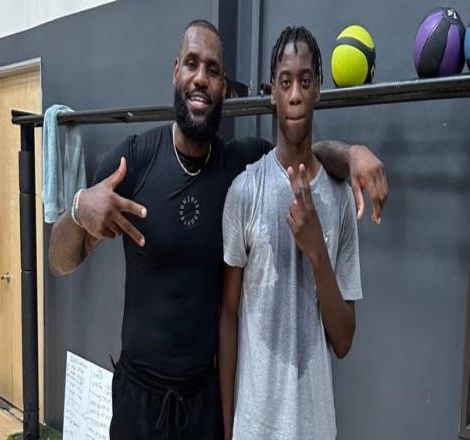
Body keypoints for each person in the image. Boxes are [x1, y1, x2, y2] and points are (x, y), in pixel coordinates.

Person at [49, 20, 386, 440]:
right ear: (176, 71)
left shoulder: (237, 166)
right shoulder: (132, 162)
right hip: (138, 402)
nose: (200, 78)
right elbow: (59, 261)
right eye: (191, 64)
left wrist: (351, 154)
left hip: (203, 404)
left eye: (212, 69)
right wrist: (78, 209)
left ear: (224, 87)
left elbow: (300, 150)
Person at [219, 25, 364, 440]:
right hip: (255, 427)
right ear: (273, 93)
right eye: (285, 82)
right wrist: (229, 428)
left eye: (305, 81)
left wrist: (317, 252)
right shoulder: (244, 191)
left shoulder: (339, 198)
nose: (295, 94)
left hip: (315, 428)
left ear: (318, 89)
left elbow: (343, 340)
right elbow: (228, 315)